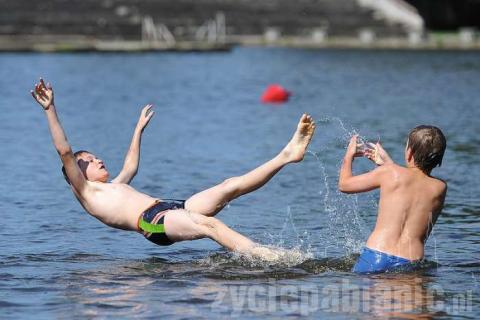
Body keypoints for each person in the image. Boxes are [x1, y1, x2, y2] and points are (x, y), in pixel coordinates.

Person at [31, 78, 316, 258]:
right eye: (89, 162)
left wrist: (138, 130)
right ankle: (263, 256)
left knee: (230, 186)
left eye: (95, 156)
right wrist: (50, 110)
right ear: (75, 176)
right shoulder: (87, 193)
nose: (98, 160)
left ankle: (287, 155)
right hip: (152, 223)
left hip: (171, 206)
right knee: (210, 225)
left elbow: (131, 164)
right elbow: (64, 150)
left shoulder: (113, 185)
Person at [338, 129, 447, 273]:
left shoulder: (389, 173)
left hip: (376, 255)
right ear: (438, 159)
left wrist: (349, 155)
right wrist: (388, 164)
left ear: (409, 153)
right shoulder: (440, 188)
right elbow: (412, 185)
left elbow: (344, 185)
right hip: (411, 261)